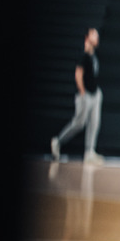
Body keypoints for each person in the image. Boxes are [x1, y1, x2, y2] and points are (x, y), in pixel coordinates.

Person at [50, 27, 104, 165]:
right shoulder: (84, 55)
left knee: (94, 123)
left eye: (97, 36)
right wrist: (83, 93)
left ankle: (89, 152)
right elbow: (78, 75)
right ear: (87, 37)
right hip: (85, 95)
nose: (96, 38)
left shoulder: (93, 56)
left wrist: (96, 93)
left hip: (94, 94)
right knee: (79, 123)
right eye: (93, 35)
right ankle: (58, 141)